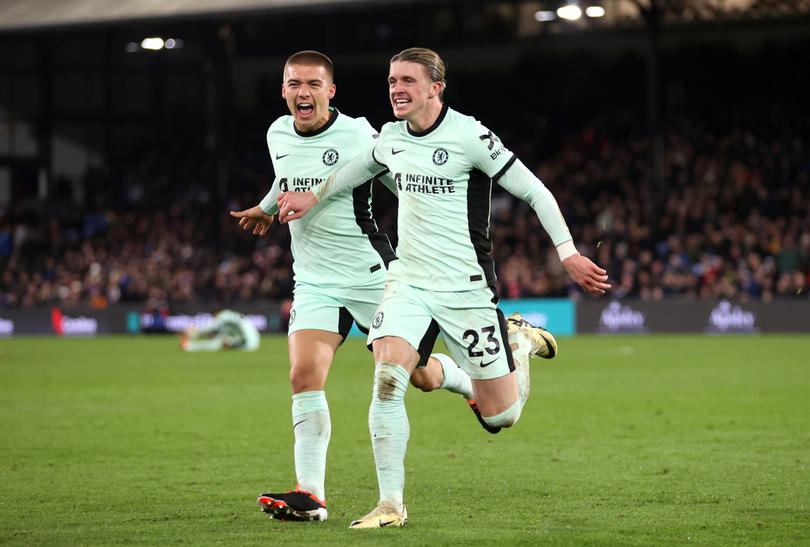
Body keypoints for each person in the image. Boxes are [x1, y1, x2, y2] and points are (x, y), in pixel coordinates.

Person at [277, 47, 610, 528]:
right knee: (389, 377)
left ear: (436, 87)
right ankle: (390, 504)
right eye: (392, 80)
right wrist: (314, 194)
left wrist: (567, 253)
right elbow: (355, 171)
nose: (396, 89)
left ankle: (517, 342)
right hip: (408, 281)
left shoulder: (470, 136)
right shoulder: (390, 138)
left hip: (466, 289)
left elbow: (535, 190)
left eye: (408, 81)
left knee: (501, 417)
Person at [179, 309, 260, 352]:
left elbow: (210, 326)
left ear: (216, 314)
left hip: (247, 345)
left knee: (219, 343)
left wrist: (194, 331)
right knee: (222, 340)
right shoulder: (231, 315)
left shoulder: (223, 316)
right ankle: (189, 346)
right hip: (255, 342)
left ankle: (188, 346)